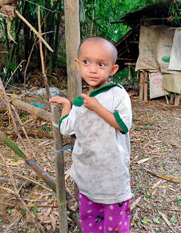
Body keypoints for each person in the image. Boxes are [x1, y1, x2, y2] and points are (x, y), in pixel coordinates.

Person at [49, 37, 132, 233]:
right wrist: (68, 105)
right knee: (90, 222)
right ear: (78, 64)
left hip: (113, 176)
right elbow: (66, 128)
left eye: (101, 64)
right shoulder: (80, 102)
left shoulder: (117, 94)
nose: (93, 69)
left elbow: (123, 125)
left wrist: (96, 107)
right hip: (88, 175)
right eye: (86, 62)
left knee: (115, 226)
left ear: (112, 69)